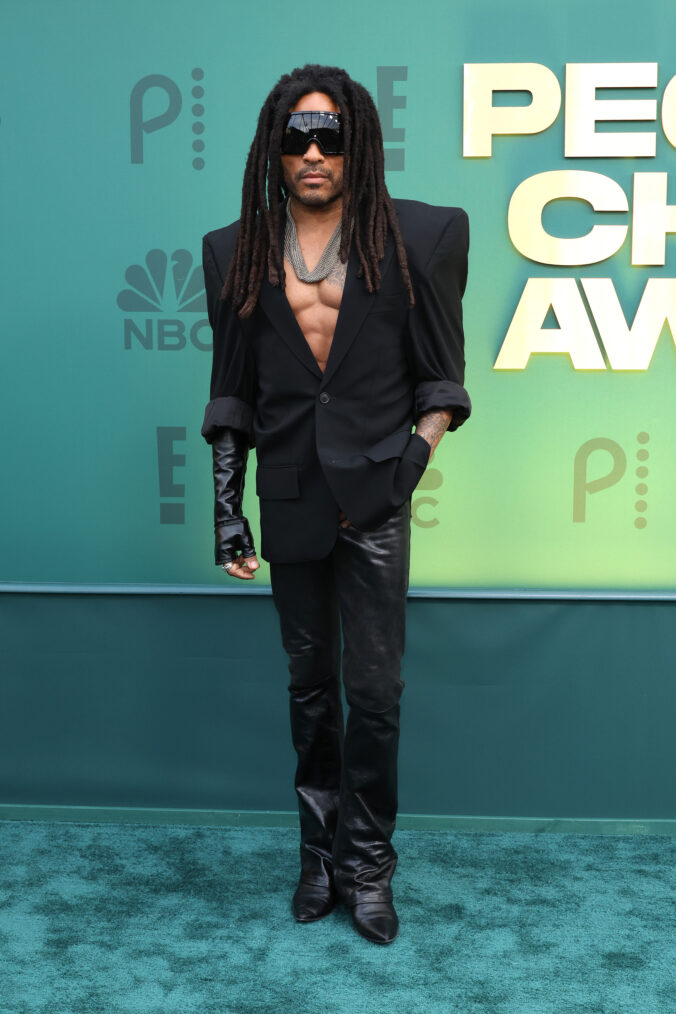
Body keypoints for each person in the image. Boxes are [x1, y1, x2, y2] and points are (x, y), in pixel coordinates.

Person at [200, 64, 471, 945]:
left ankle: (369, 867)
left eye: (330, 135)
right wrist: (226, 507)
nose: (313, 152)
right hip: (288, 497)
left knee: (376, 692)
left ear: (357, 141)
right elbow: (232, 392)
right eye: (295, 136)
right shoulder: (232, 250)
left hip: (377, 501)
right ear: (270, 149)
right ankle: (317, 859)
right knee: (311, 692)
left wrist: (410, 463)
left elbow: (442, 382)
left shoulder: (420, 239)